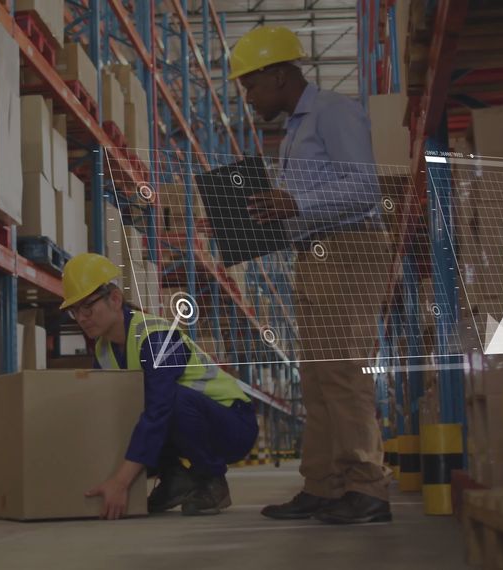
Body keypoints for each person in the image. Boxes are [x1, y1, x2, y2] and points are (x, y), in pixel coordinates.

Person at [228, 25, 394, 524]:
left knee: (344, 371)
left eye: (251, 87)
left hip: (351, 250)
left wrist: (294, 202)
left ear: (279, 76)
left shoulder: (333, 112)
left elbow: (365, 188)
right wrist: (259, 217)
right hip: (318, 254)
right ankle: (323, 485)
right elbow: (307, 203)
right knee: (319, 377)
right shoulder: (294, 131)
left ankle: (367, 487)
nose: (249, 99)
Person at [60, 253, 259, 520]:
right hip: (190, 422)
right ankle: (175, 478)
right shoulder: (104, 350)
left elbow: (160, 410)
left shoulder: (156, 337)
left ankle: (212, 480)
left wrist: (120, 483)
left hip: (232, 423)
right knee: (123, 407)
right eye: (75, 311)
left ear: (115, 299)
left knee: (166, 402)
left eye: (87, 307)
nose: (82, 318)